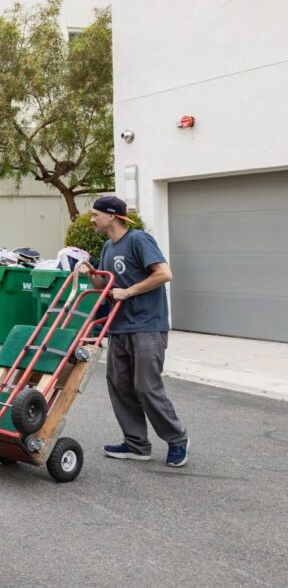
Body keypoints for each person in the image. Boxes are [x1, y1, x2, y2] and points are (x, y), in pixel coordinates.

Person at [79, 196, 190, 467]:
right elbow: (107, 286)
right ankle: (137, 444)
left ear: (111, 216)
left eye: (95, 215)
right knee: (121, 386)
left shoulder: (139, 240)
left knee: (146, 386)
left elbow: (164, 274)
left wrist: (128, 292)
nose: (91, 219)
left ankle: (177, 439)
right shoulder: (108, 246)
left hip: (147, 325)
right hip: (118, 326)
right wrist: (90, 272)